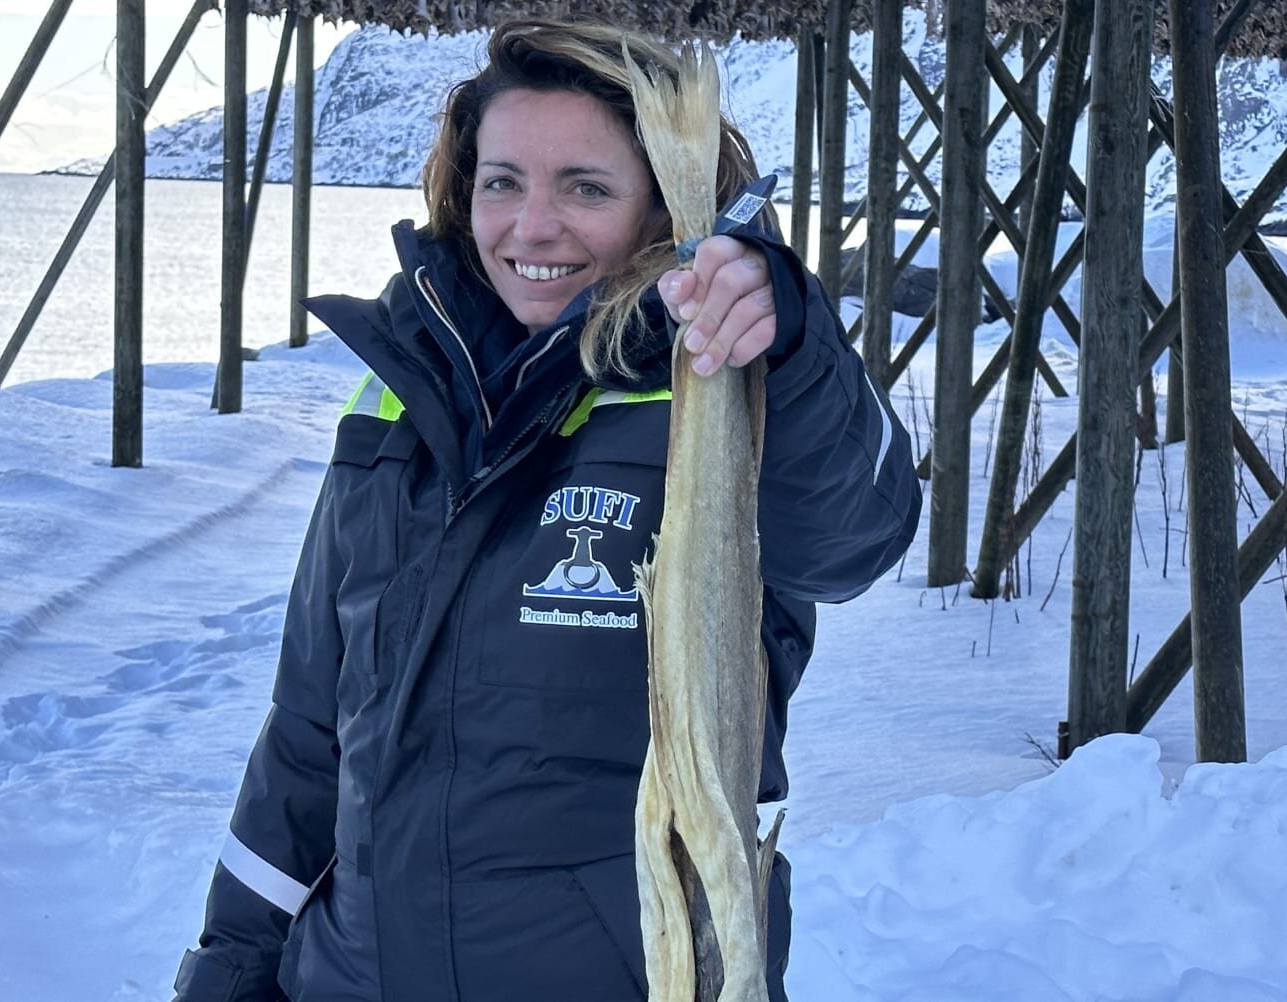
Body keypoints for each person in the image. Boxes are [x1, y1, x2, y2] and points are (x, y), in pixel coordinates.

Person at [171, 18, 919, 1002]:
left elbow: (850, 537)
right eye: (503, 181)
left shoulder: (714, 385)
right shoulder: (396, 400)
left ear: (661, 202)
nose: (532, 226)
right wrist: (229, 974)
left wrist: (793, 344)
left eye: (587, 187)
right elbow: (310, 737)